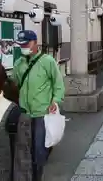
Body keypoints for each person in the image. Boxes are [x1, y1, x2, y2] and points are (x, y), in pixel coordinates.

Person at [12, 30, 65, 181]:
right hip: (24, 113)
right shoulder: (19, 64)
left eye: (26, 44)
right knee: (24, 149)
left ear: (35, 43)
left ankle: (37, 176)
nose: (23, 47)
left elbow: (58, 83)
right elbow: (14, 84)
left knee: (39, 151)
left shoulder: (47, 61)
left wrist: (55, 100)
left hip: (42, 112)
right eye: (21, 44)